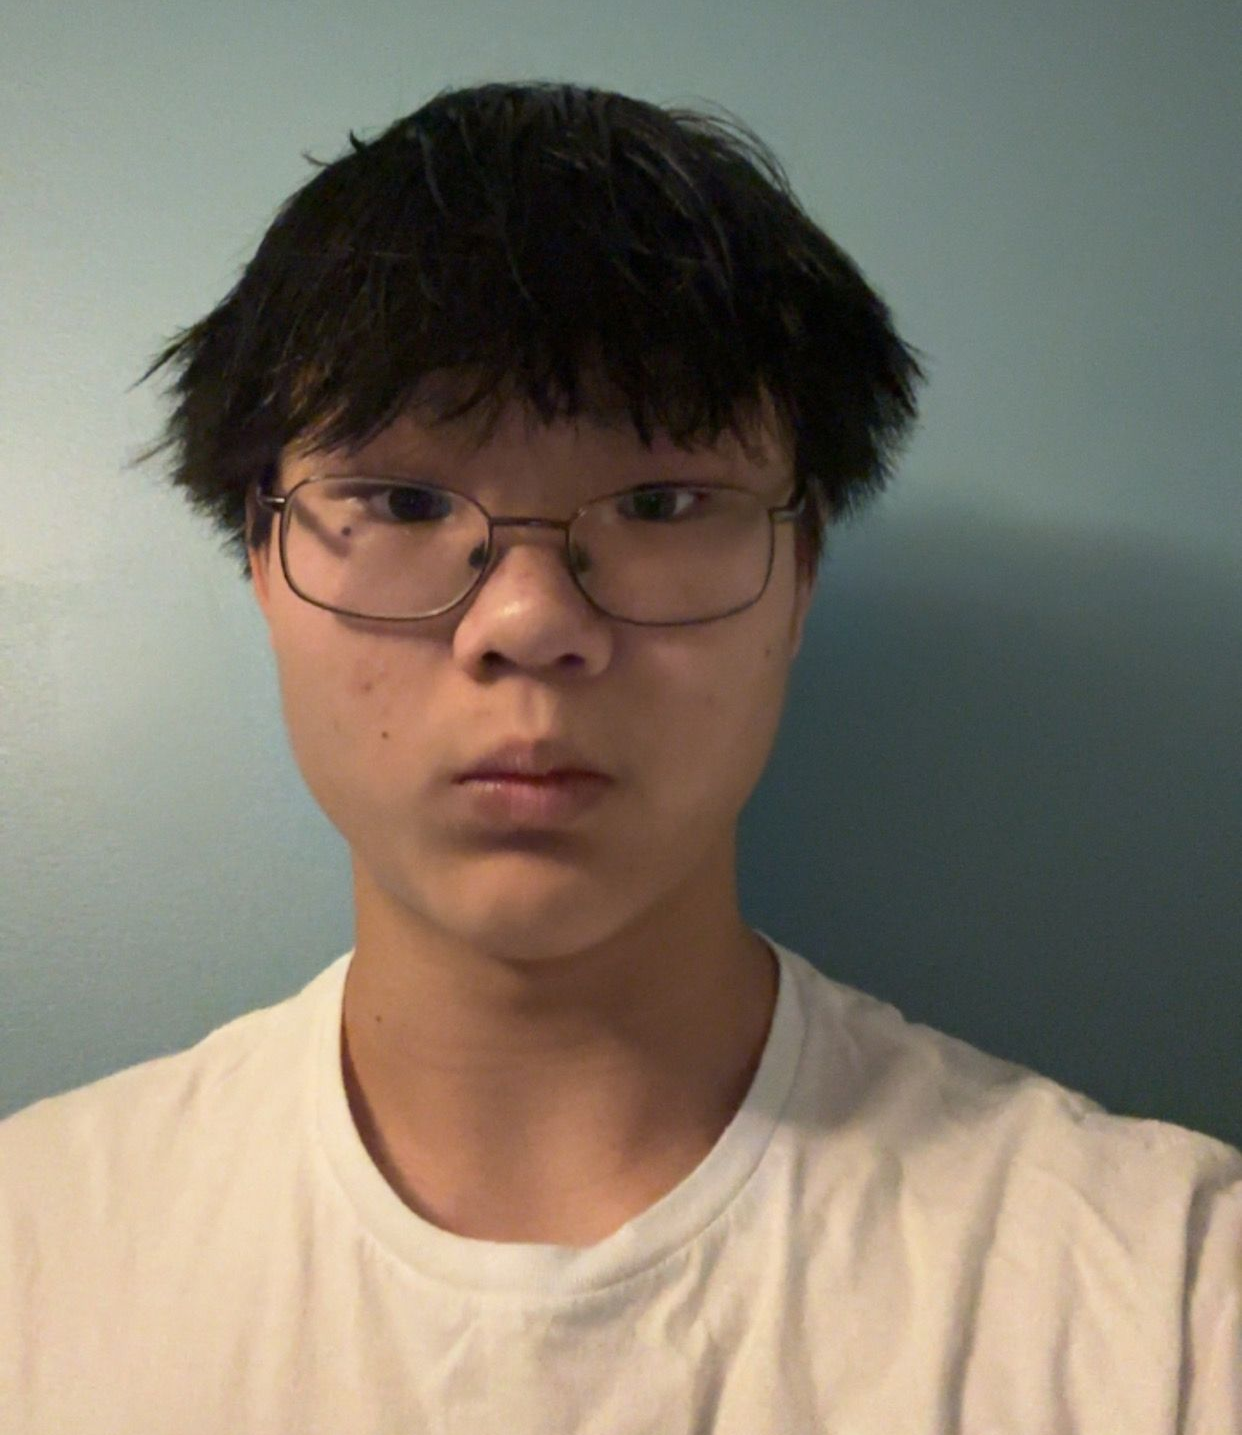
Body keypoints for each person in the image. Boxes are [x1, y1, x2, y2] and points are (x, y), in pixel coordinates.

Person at [1, 80, 1237, 1434]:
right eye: (403, 500)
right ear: (261, 557)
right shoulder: (39, 1260)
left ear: (801, 570)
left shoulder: (1168, 1303)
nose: (529, 623)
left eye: (661, 501)